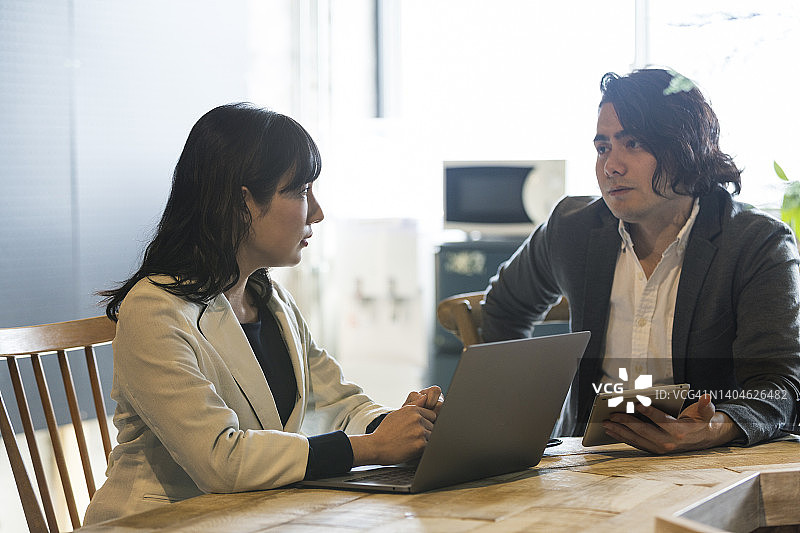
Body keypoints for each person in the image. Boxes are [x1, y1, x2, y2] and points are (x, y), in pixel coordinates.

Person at [84, 103, 443, 524]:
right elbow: (220, 457)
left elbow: (340, 405)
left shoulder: (271, 301)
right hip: (158, 522)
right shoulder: (154, 310)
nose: (317, 212)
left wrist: (406, 426)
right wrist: (374, 447)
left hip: (253, 516)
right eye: (301, 191)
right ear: (243, 202)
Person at [481, 68, 800, 454]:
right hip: (582, 461)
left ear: (686, 148)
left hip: (705, 461)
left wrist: (715, 428)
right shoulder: (573, 228)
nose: (611, 165)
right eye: (602, 148)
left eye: (632, 143)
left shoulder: (756, 241)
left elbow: (779, 383)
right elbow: (504, 308)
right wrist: (524, 414)